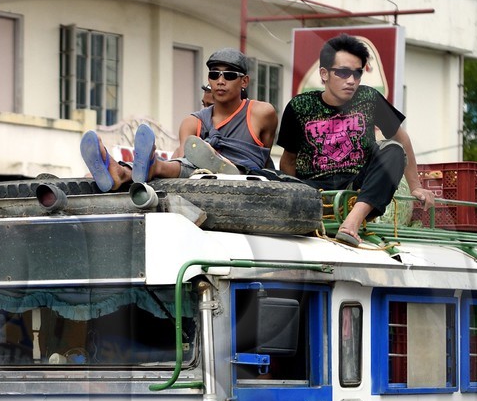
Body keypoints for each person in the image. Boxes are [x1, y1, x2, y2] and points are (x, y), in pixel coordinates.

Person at [278, 34, 436, 246]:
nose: (351, 80)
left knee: (394, 150)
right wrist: (296, 199)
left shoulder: (368, 98)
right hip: (314, 188)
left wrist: (416, 186)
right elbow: (288, 160)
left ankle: (353, 221)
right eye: (343, 73)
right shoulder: (299, 106)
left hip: (357, 187)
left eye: (357, 73)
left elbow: (402, 139)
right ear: (324, 74)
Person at [79, 47, 279, 191]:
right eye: (214, 74)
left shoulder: (261, 113)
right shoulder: (194, 121)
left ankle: (151, 166)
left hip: (245, 177)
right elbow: (184, 159)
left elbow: (263, 156)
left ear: (244, 81)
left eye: (229, 75)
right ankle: (120, 172)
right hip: (200, 175)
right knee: (188, 164)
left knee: (192, 164)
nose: (220, 81)